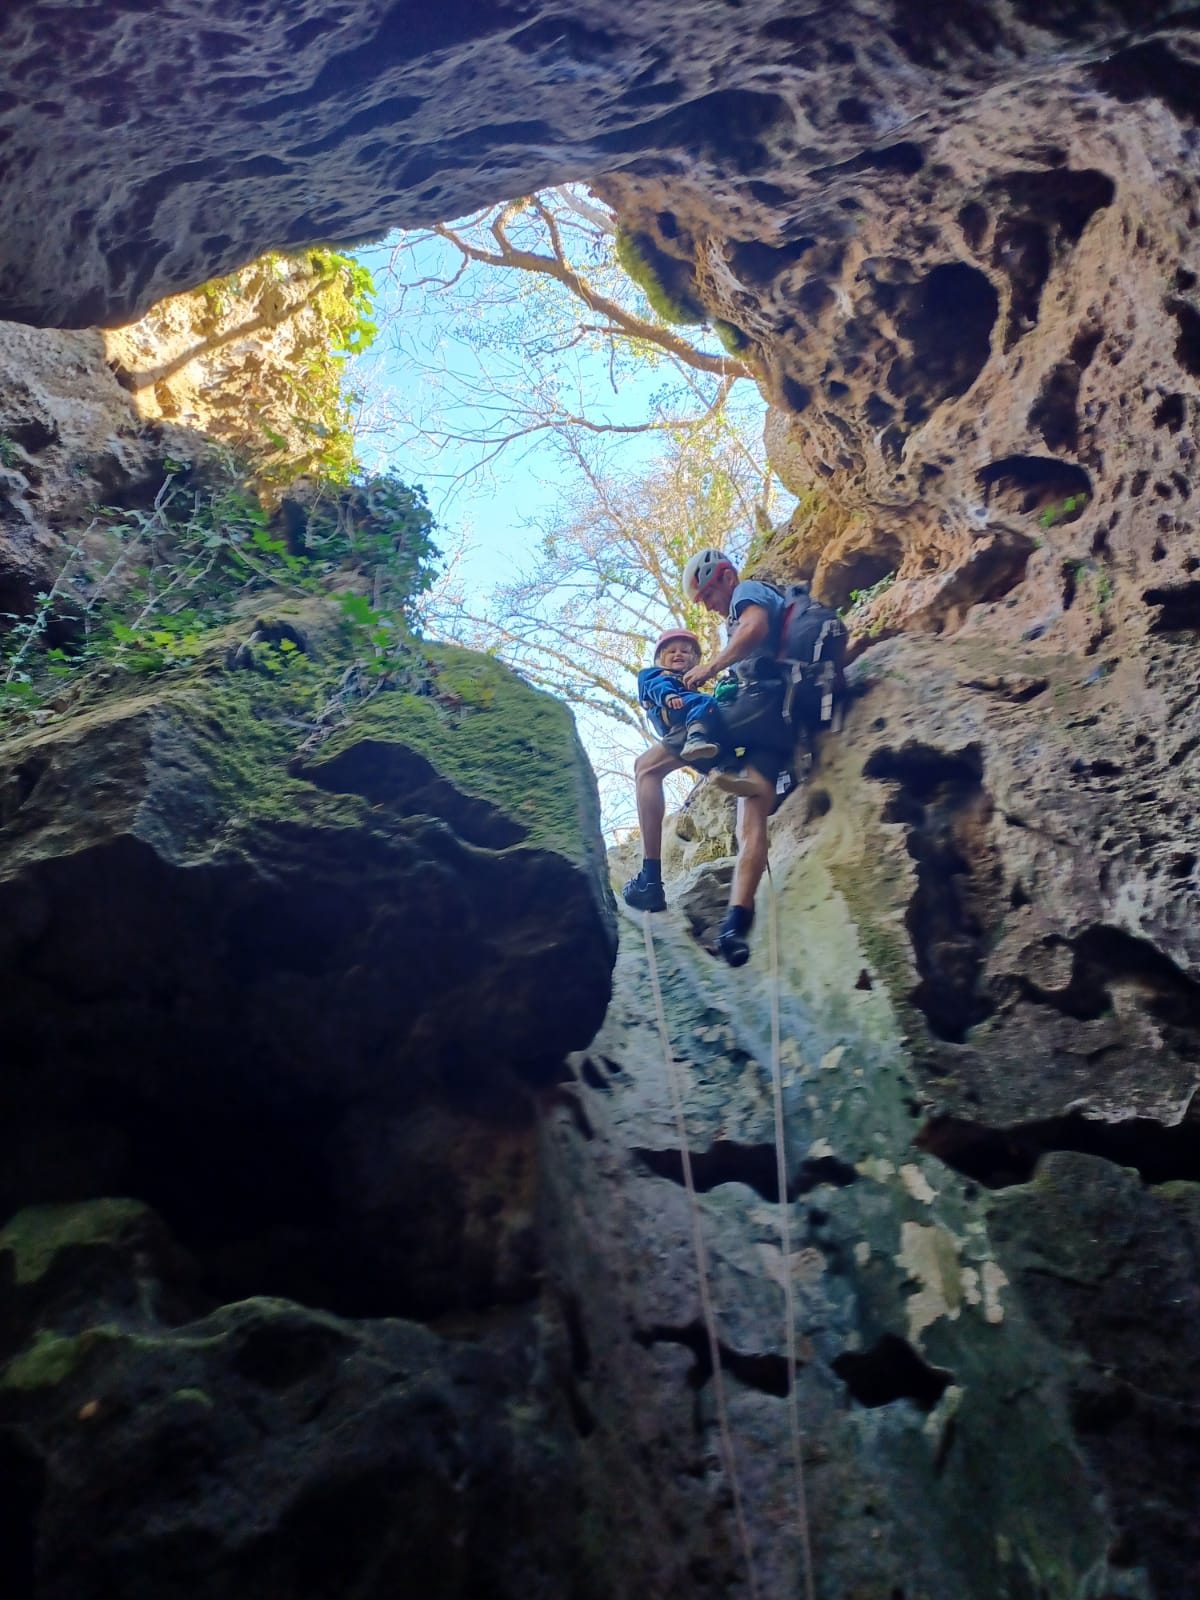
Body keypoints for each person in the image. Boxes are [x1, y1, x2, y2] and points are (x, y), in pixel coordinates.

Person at [623, 549, 794, 966]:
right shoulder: (751, 606)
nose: (710, 606)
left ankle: (650, 880)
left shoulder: (747, 593)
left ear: (724, 576)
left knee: (646, 768)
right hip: (781, 729)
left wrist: (713, 668)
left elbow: (753, 628)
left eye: (707, 595)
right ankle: (736, 925)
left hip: (760, 704)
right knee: (750, 821)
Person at [636, 628, 724, 766]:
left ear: (694, 658)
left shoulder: (684, 680)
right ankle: (695, 739)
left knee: (711, 708)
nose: (678, 654)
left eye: (684, 651)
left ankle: (719, 763)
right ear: (661, 658)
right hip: (667, 708)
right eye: (672, 651)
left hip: (680, 709)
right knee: (705, 701)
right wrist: (668, 696)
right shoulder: (658, 674)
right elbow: (656, 685)